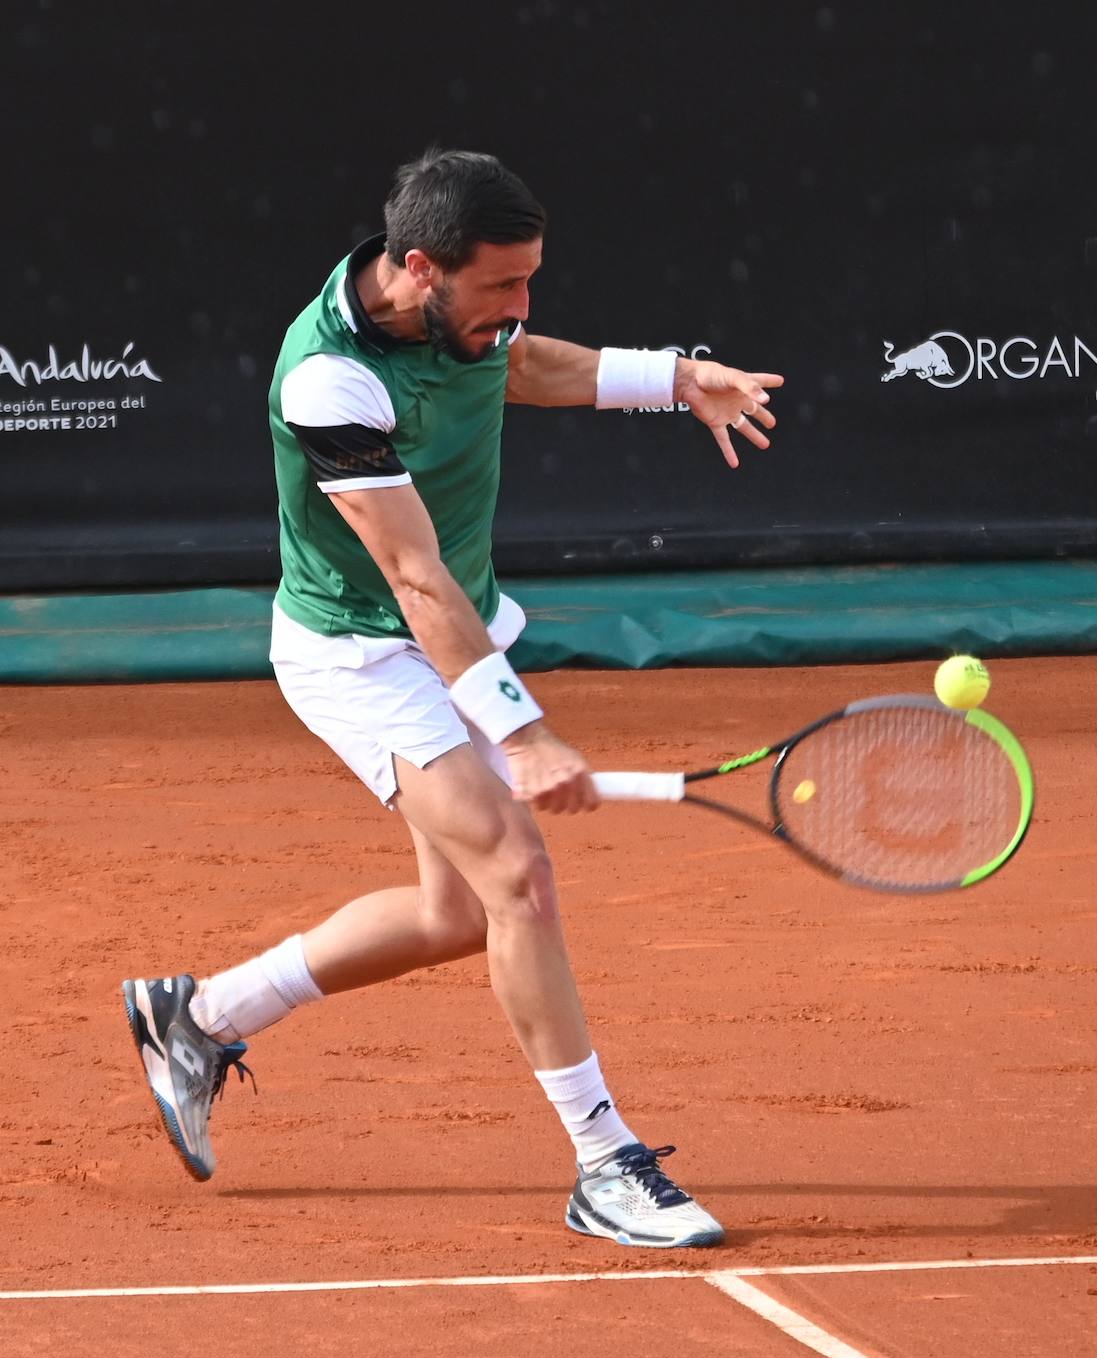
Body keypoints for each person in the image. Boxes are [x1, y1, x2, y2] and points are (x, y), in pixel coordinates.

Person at [122, 148, 782, 1249]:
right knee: (518, 872)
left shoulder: (457, 322)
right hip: (363, 656)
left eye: (529, 281)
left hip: (459, 634)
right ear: (419, 268)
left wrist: (670, 375)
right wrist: (521, 735)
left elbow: (521, 368)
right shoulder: (327, 378)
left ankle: (198, 1016)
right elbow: (413, 578)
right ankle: (605, 1164)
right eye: (501, 287)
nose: (520, 307)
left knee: (453, 915)